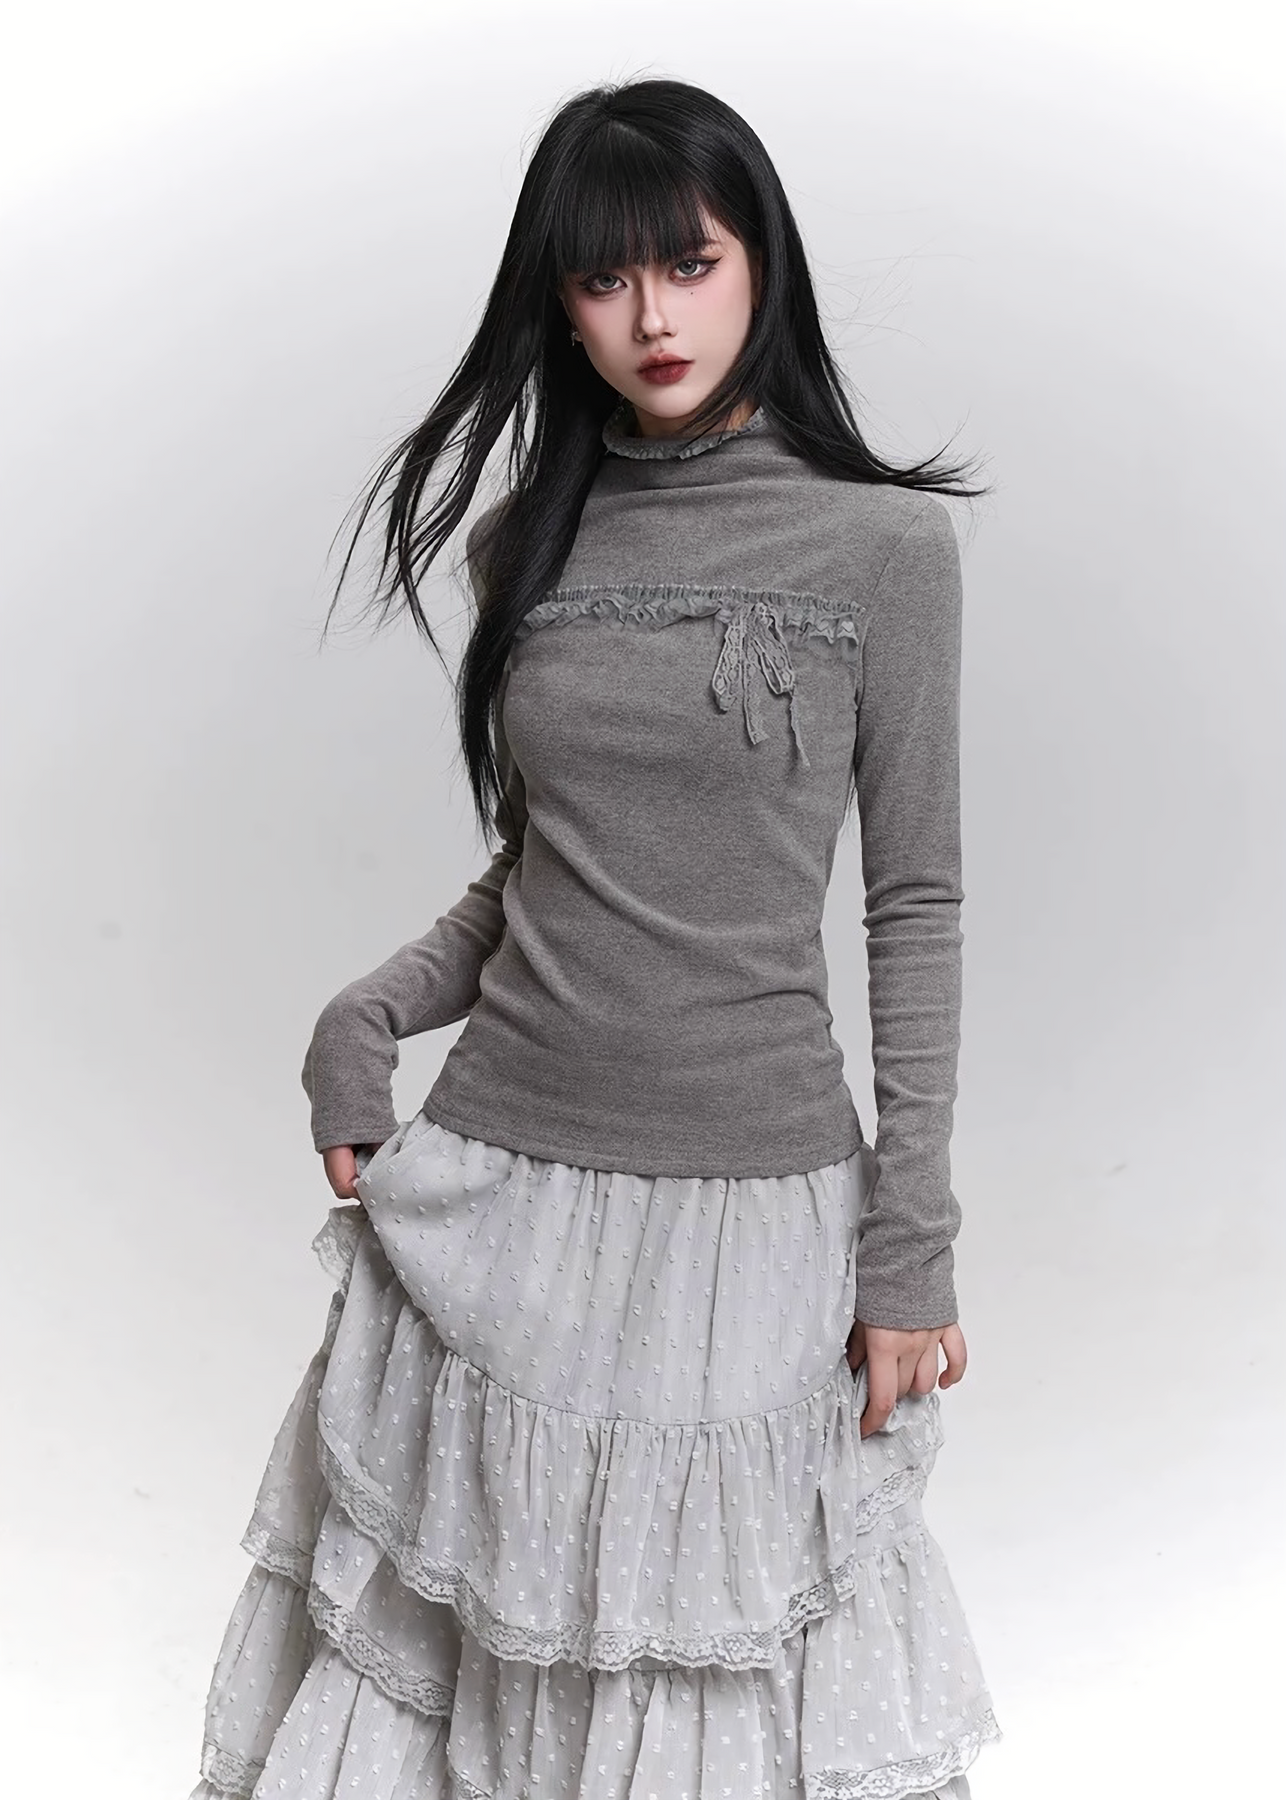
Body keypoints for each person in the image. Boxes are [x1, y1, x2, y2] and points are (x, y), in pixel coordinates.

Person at [186, 75, 1003, 1800]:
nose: (651, 318)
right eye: (603, 277)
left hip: (751, 1213)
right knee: (483, 1675)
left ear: (760, 263)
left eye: (688, 265)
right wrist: (368, 1010)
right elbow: (542, 869)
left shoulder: (882, 551)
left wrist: (909, 1248)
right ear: (556, 303)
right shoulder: (526, 544)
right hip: (510, 1195)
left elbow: (914, 903)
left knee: (715, 1679)